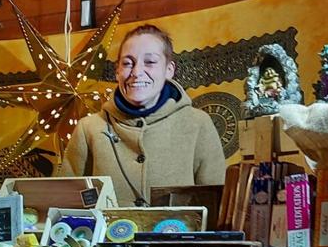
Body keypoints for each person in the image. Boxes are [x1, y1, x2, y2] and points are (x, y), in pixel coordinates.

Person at [60, 23, 226, 206]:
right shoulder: (88, 128)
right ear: (117, 72)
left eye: (150, 62)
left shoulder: (198, 124)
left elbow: (215, 204)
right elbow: (66, 200)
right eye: (127, 63)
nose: (137, 72)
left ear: (169, 70)